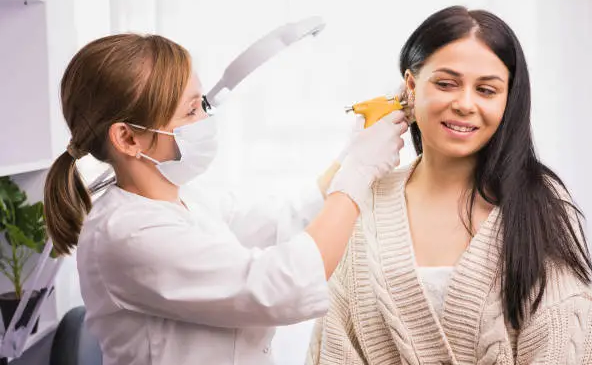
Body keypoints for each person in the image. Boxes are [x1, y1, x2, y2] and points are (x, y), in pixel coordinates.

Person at [42, 33, 409, 365]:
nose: (206, 118)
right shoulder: (128, 234)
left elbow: (280, 219)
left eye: (201, 102)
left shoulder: (184, 199)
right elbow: (281, 285)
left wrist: (350, 154)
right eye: (190, 111)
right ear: (127, 139)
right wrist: (358, 173)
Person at [307, 6, 592, 364]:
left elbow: (562, 345)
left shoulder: (539, 203)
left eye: (486, 90)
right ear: (411, 86)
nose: (465, 104)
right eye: (446, 83)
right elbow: (334, 345)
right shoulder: (362, 203)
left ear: (507, 99)